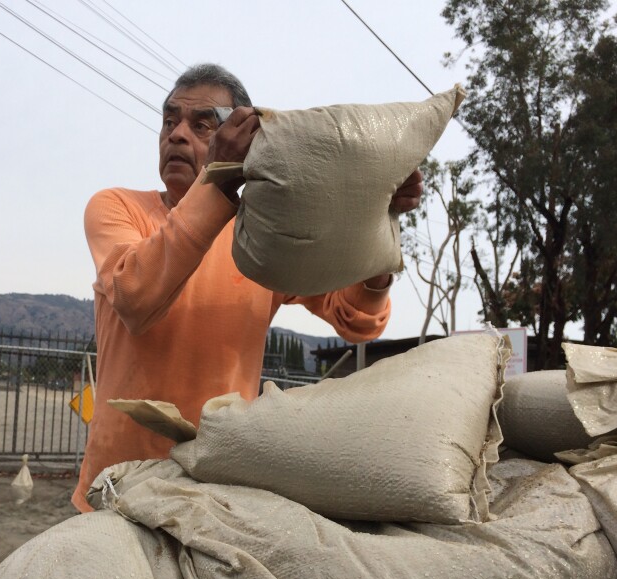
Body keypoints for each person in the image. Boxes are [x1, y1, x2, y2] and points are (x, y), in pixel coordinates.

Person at [73, 63, 423, 511]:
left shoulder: (259, 239)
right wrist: (219, 181)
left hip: (214, 488)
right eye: (169, 120)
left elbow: (356, 320)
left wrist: (379, 221)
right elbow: (135, 297)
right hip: (117, 487)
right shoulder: (115, 207)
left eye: (202, 125)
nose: (177, 134)